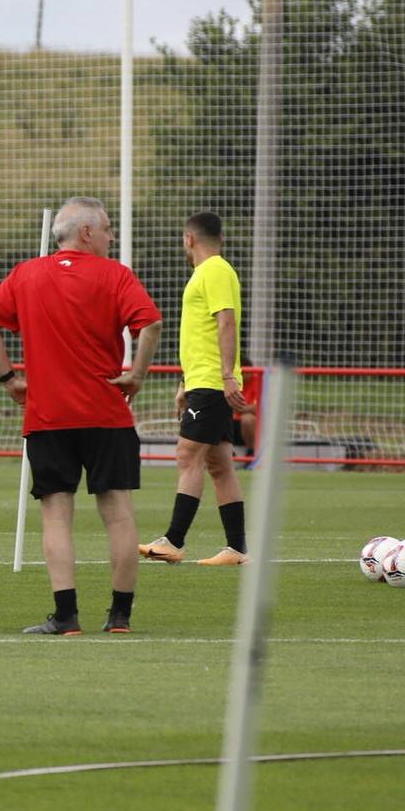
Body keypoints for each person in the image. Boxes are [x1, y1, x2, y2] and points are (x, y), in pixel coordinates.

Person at [0, 196, 162, 634]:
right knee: (118, 512)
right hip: (106, 413)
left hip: (48, 415)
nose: (112, 236)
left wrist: (8, 379)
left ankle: (66, 616)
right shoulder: (116, 275)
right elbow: (150, 325)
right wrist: (136, 375)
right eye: (108, 228)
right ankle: (119, 617)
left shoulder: (26, 274)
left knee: (57, 514)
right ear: (86, 232)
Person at [140, 211, 251, 565]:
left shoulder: (215, 270)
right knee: (220, 465)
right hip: (203, 381)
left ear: (189, 238)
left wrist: (226, 376)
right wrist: (184, 382)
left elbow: (226, 322)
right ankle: (237, 549)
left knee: (187, 456)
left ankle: (173, 540)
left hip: (212, 383)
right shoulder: (208, 273)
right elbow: (200, 336)